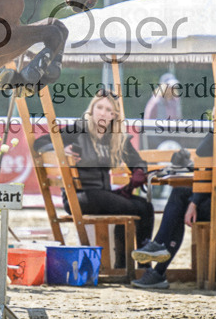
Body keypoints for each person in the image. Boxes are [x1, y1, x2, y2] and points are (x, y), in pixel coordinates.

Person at [130, 99, 216, 290]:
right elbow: (205, 163)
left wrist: (193, 203)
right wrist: (193, 202)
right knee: (180, 196)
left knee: (179, 200)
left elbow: (204, 156)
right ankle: (157, 264)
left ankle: (158, 261)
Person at [35, 90, 155, 251]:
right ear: (92, 109)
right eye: (100, 107)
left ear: (114, 116)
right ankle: (124, 259)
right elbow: (40, 142)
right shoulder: (78, 129)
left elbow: (137, 161)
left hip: (103, 195)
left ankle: (142, 263)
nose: (103, 114)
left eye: (109, 110)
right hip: (79, 197)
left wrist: (139, 170)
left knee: (145, 205)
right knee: (132, 206)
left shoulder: (116, 137)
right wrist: (62, 149)